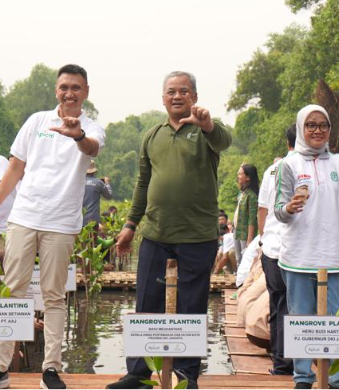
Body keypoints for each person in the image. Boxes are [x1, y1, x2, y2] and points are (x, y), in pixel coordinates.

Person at [0, 64, 104, 390]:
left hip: (61, 224)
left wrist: (77, 134)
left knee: (54, 296)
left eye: (76, 87)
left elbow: (90, 147)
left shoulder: (92, 127)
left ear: (86, 91)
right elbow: (15, 167)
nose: (69, 93)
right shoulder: (36, 121)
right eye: (64, 87)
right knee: (12, 291)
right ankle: (0, 368)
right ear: (56, 90)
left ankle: (51, 369)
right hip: (24, 217)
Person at [109, 71, 231, 390]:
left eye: (184, 91)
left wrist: (207, 124)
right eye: (171, 92)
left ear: (194, 97)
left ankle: (186, 374)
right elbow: (142, 183)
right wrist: (129, 225)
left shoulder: (205, 131)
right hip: (155, 233)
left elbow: (224, 141)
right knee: (147, 301)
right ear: (163, 98)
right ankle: (137, 372)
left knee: (191, 305)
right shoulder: (152, 135)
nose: (177, 96)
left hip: (198, 235)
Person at [274, 104, 339, 390]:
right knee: (301, 319)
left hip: (331, 257)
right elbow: (278, 211)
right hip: (297, 255)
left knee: (335, 319)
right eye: (311, 125)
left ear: (330, 129)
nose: (318, 130)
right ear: (301, 129)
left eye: (323, 125)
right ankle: (303, 379)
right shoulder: (289, 164)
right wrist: (290, 207)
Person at [257, 124, 295, 375]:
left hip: (271, 248)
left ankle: (281, 362)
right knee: (296, 307)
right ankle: (295, 362)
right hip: (295, 250)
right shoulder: (304, 169)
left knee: (277, 305)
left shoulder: (272, 169)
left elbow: (262, 210)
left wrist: (262, 240)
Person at [233, 163, 259, 264]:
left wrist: (249, 239)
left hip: (245, 233)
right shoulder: (242, 193)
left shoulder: (252, 195)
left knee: (245, 259)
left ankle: (244, 280)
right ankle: (239, 280)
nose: (238, 176)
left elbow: (252, 219)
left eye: (240, 174)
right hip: (236, 230)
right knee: (238, 258)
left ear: (248, 177)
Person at [82, 160, 113, 228]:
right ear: (94, 171)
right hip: (93, 221)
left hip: (79, 220)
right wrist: (107, 183)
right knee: (92, 238)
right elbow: (109, 196)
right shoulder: (99, 182)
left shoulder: (78, 181)